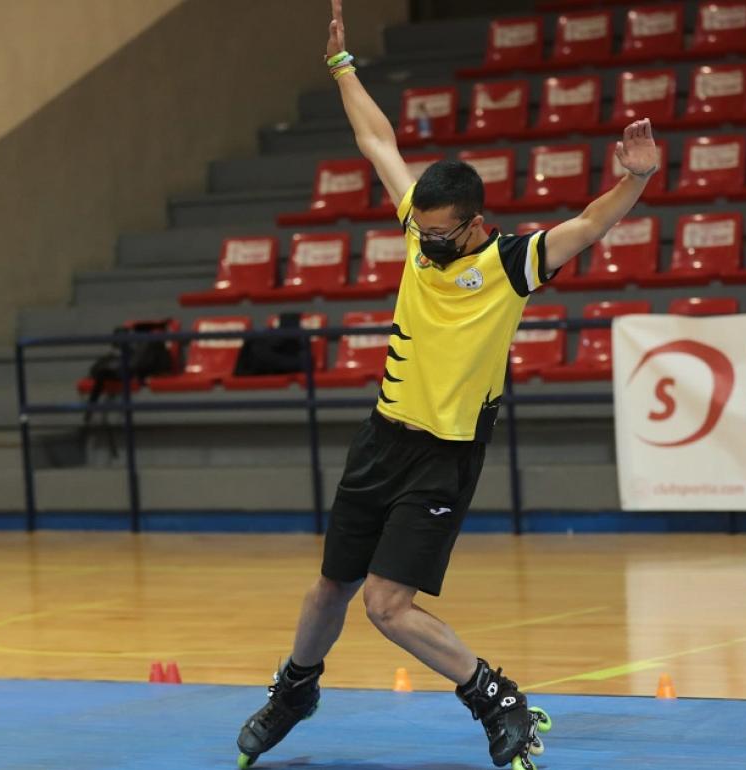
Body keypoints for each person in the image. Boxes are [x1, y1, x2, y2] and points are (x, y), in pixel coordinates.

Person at [234, 2, 661, 768]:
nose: (423, 246)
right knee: (329, 589)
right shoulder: (417, 227)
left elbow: (588, 226)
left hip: (446, 453)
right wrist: (340, 66)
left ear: (472, 224)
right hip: (383, 437)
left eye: (437, 236)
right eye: (418, 232)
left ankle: (497, 700)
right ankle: (295, 690)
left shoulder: (507, 264)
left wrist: (632, 181)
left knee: (386, 606)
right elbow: (377, 140)